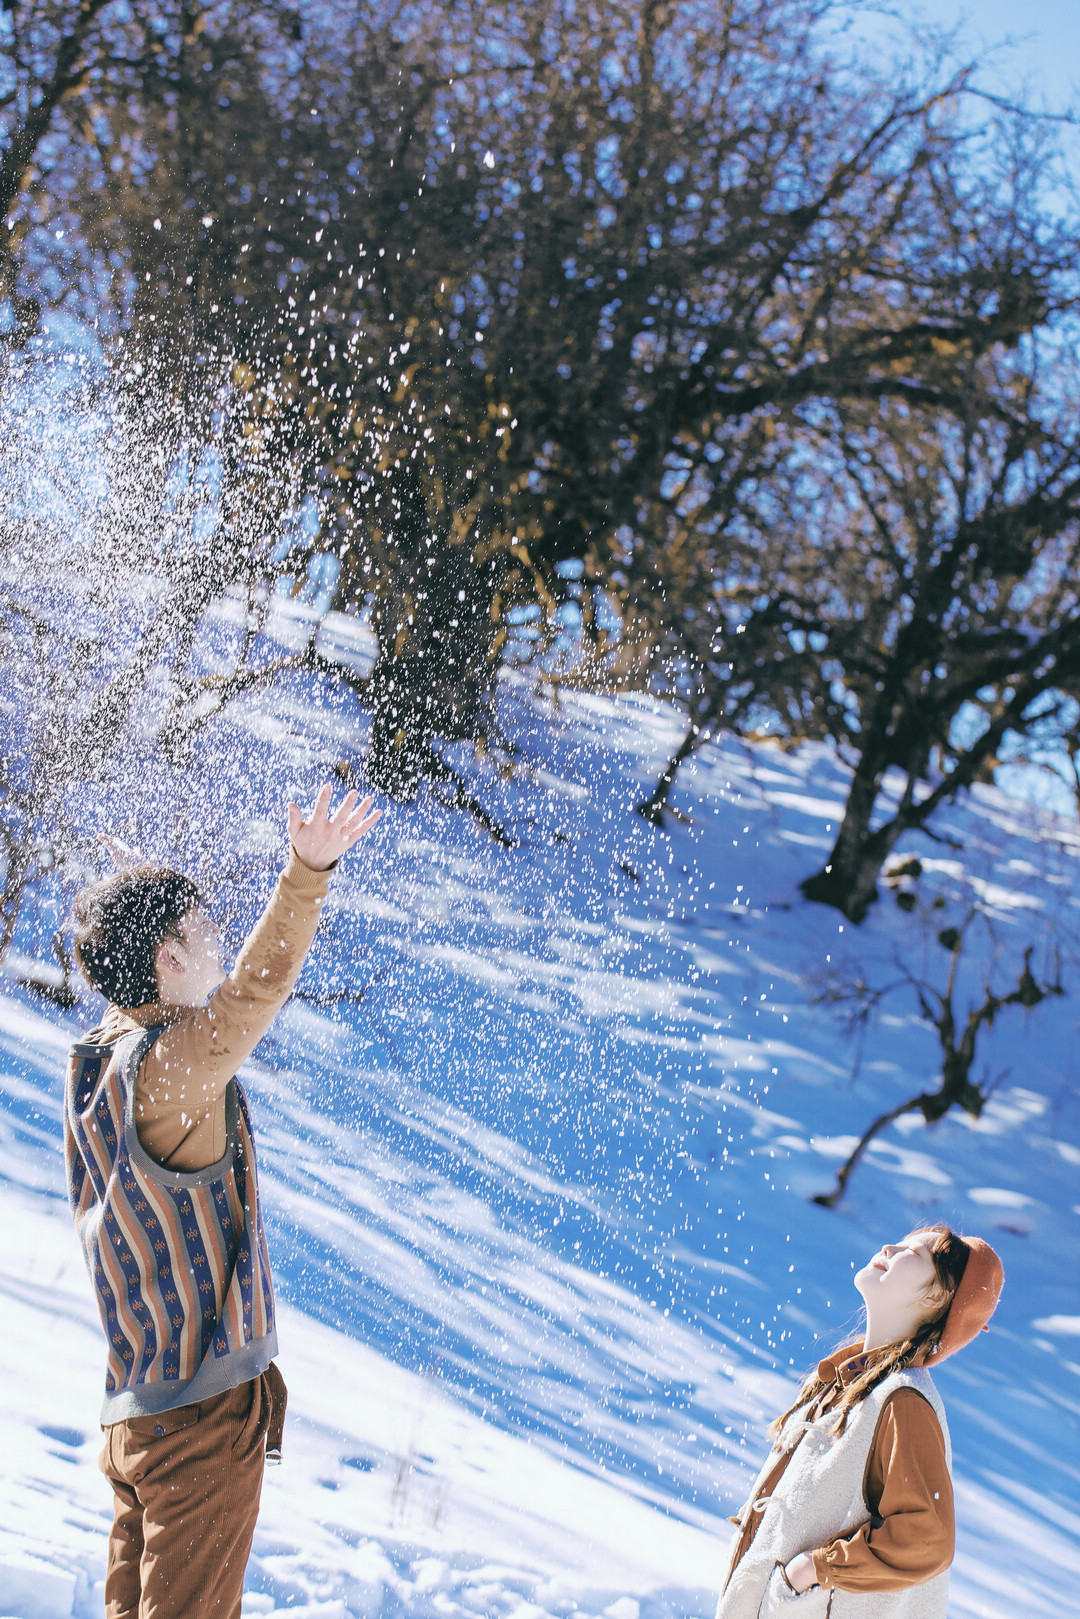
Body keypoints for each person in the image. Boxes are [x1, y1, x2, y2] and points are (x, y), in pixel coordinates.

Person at [65, 785, 381, 1619]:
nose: (220, 938)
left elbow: (144, 969)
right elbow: (258, 986)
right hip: (199, 1419)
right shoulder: (169, 1071)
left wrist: (122, 901)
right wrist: (307, 873)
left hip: (136, 1417)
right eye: (204, 926)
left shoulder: (103, 1056)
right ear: (166, 960)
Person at [716, 1224, 1004, 1618]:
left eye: (911, 1253)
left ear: (936, 1295)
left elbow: (927, 1539)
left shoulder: (903, 1402)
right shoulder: (842, 1385)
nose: (889, 1246)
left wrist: (814, 1571)